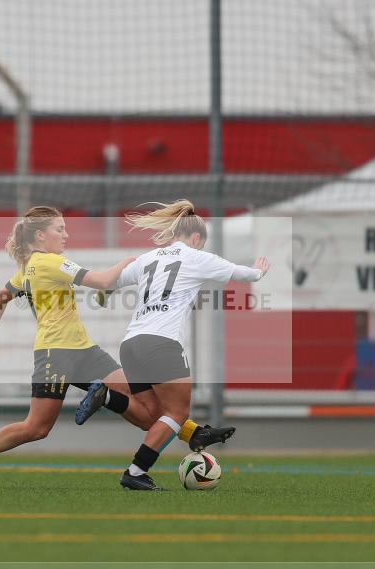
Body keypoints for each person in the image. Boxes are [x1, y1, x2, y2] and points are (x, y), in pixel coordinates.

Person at [0, 206, 231, 488]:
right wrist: (132, 261)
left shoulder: (29, 267)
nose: (66, 235)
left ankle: (194, 433)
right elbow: (103, 281)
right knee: (37, 428)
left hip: (85, 351)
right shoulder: (50, 262)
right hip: (54, 356)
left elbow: (0, 297)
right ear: (40, 235)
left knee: (145, 401)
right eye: (60, 229)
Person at [80, 199, 268, 491]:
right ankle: (136, 471)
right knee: (177, 413)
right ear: (196, 238)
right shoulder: (194, 257)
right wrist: (259, 269)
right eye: (201, 244)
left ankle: (107, 397)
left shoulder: (147, 258)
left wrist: (105, 295)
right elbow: (244, 275)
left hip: (131, 344)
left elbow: (110, 283)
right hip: (162, 344)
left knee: (151, 416)